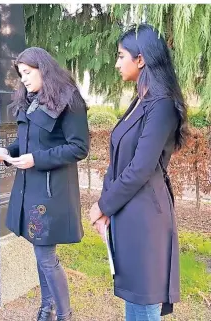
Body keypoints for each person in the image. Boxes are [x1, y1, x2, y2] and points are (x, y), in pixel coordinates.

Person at [89, 24, 188, 321]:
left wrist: (103, 205)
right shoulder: (140, 101)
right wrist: (107, 206)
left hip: (146, 215)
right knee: (132, 295)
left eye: (121, 56)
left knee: (143, 301)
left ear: (141, 59)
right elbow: (118, 158)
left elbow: (140, 167)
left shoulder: (162, 106)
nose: (117, 63)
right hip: (127, 210)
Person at [0, 47, 90, 321]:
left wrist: (36, 159)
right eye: (21, 74)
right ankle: (47, 308)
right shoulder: (30, 100)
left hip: (51, 191)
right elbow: (27, 142)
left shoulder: (70, 100)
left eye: (28, 73)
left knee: (46, 256)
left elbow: (79, 148)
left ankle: (63, 315)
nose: (24, 80)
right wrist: (7, 153)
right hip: (29, 188)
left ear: (43, 68)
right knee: (39, 251)